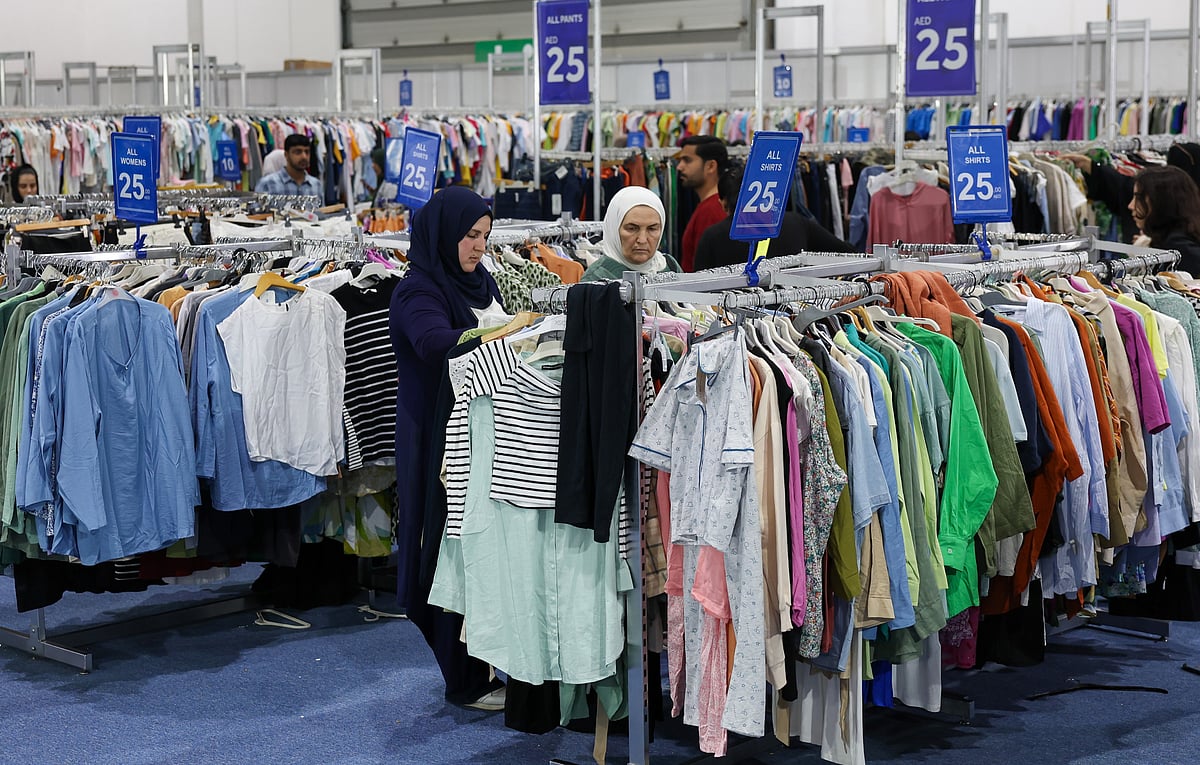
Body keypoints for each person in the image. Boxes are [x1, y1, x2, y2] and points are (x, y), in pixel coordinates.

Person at [388, 186, 505, 711]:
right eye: (469, 235)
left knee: (474, 545)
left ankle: (481, 664)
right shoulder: (416, 291)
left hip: (480, 430)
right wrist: (509, 332)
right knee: (439, 549)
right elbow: (434, 343)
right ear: (443, 234)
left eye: (485, 236)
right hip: (433, 437)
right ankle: (463, 678)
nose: (479, 246)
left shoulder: (483, 281)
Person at [694, 163, 856, 271]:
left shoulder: (712, 236)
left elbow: (698, 288)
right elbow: (848, 254)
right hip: (796, 308)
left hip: (733, 311)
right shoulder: (796, 223)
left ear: (723, 203)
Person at [581, 186, 681, 281]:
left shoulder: (669, 266)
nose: (642, 240)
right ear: (614, 230)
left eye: (652, 229)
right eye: (632, 229)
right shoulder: (596, 280)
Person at [676, 135, 729, 271]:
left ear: (711, 166)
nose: (679, 167)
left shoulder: (711, 210)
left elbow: (706, 270)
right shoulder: (709, 206)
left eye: (687, 160)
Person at [254, 133, 321, 198]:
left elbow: (321, 206)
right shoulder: (268, 184)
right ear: (286, 155)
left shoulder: (316, 185)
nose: (304, 157)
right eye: (298, 152)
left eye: (307, 152)